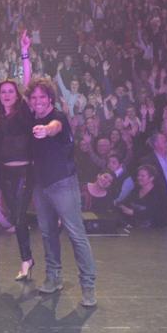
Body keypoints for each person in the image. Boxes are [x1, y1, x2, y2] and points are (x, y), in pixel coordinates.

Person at [27, 77, 97, 307]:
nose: (37, 101)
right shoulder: (31, 117)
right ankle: (54, 277)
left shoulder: (58, 117)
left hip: (63, 183)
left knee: (76, 234)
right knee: (48, 233)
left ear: (50, 98)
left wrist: (46, 130)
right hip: (41, 185)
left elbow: (54, 127)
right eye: (33, 97)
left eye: (42, 97)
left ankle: (88, 286)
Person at [0, 30, 35, 281]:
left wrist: (24, 53)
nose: (7, 94)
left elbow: (28, 84)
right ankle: (27, 258)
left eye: (10, 91)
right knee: (15, 218)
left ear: (16, 94)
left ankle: (26, 259)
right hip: (6, 174)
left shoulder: (22, 112)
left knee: (18, 217)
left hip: (25, 172)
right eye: (3, 92)